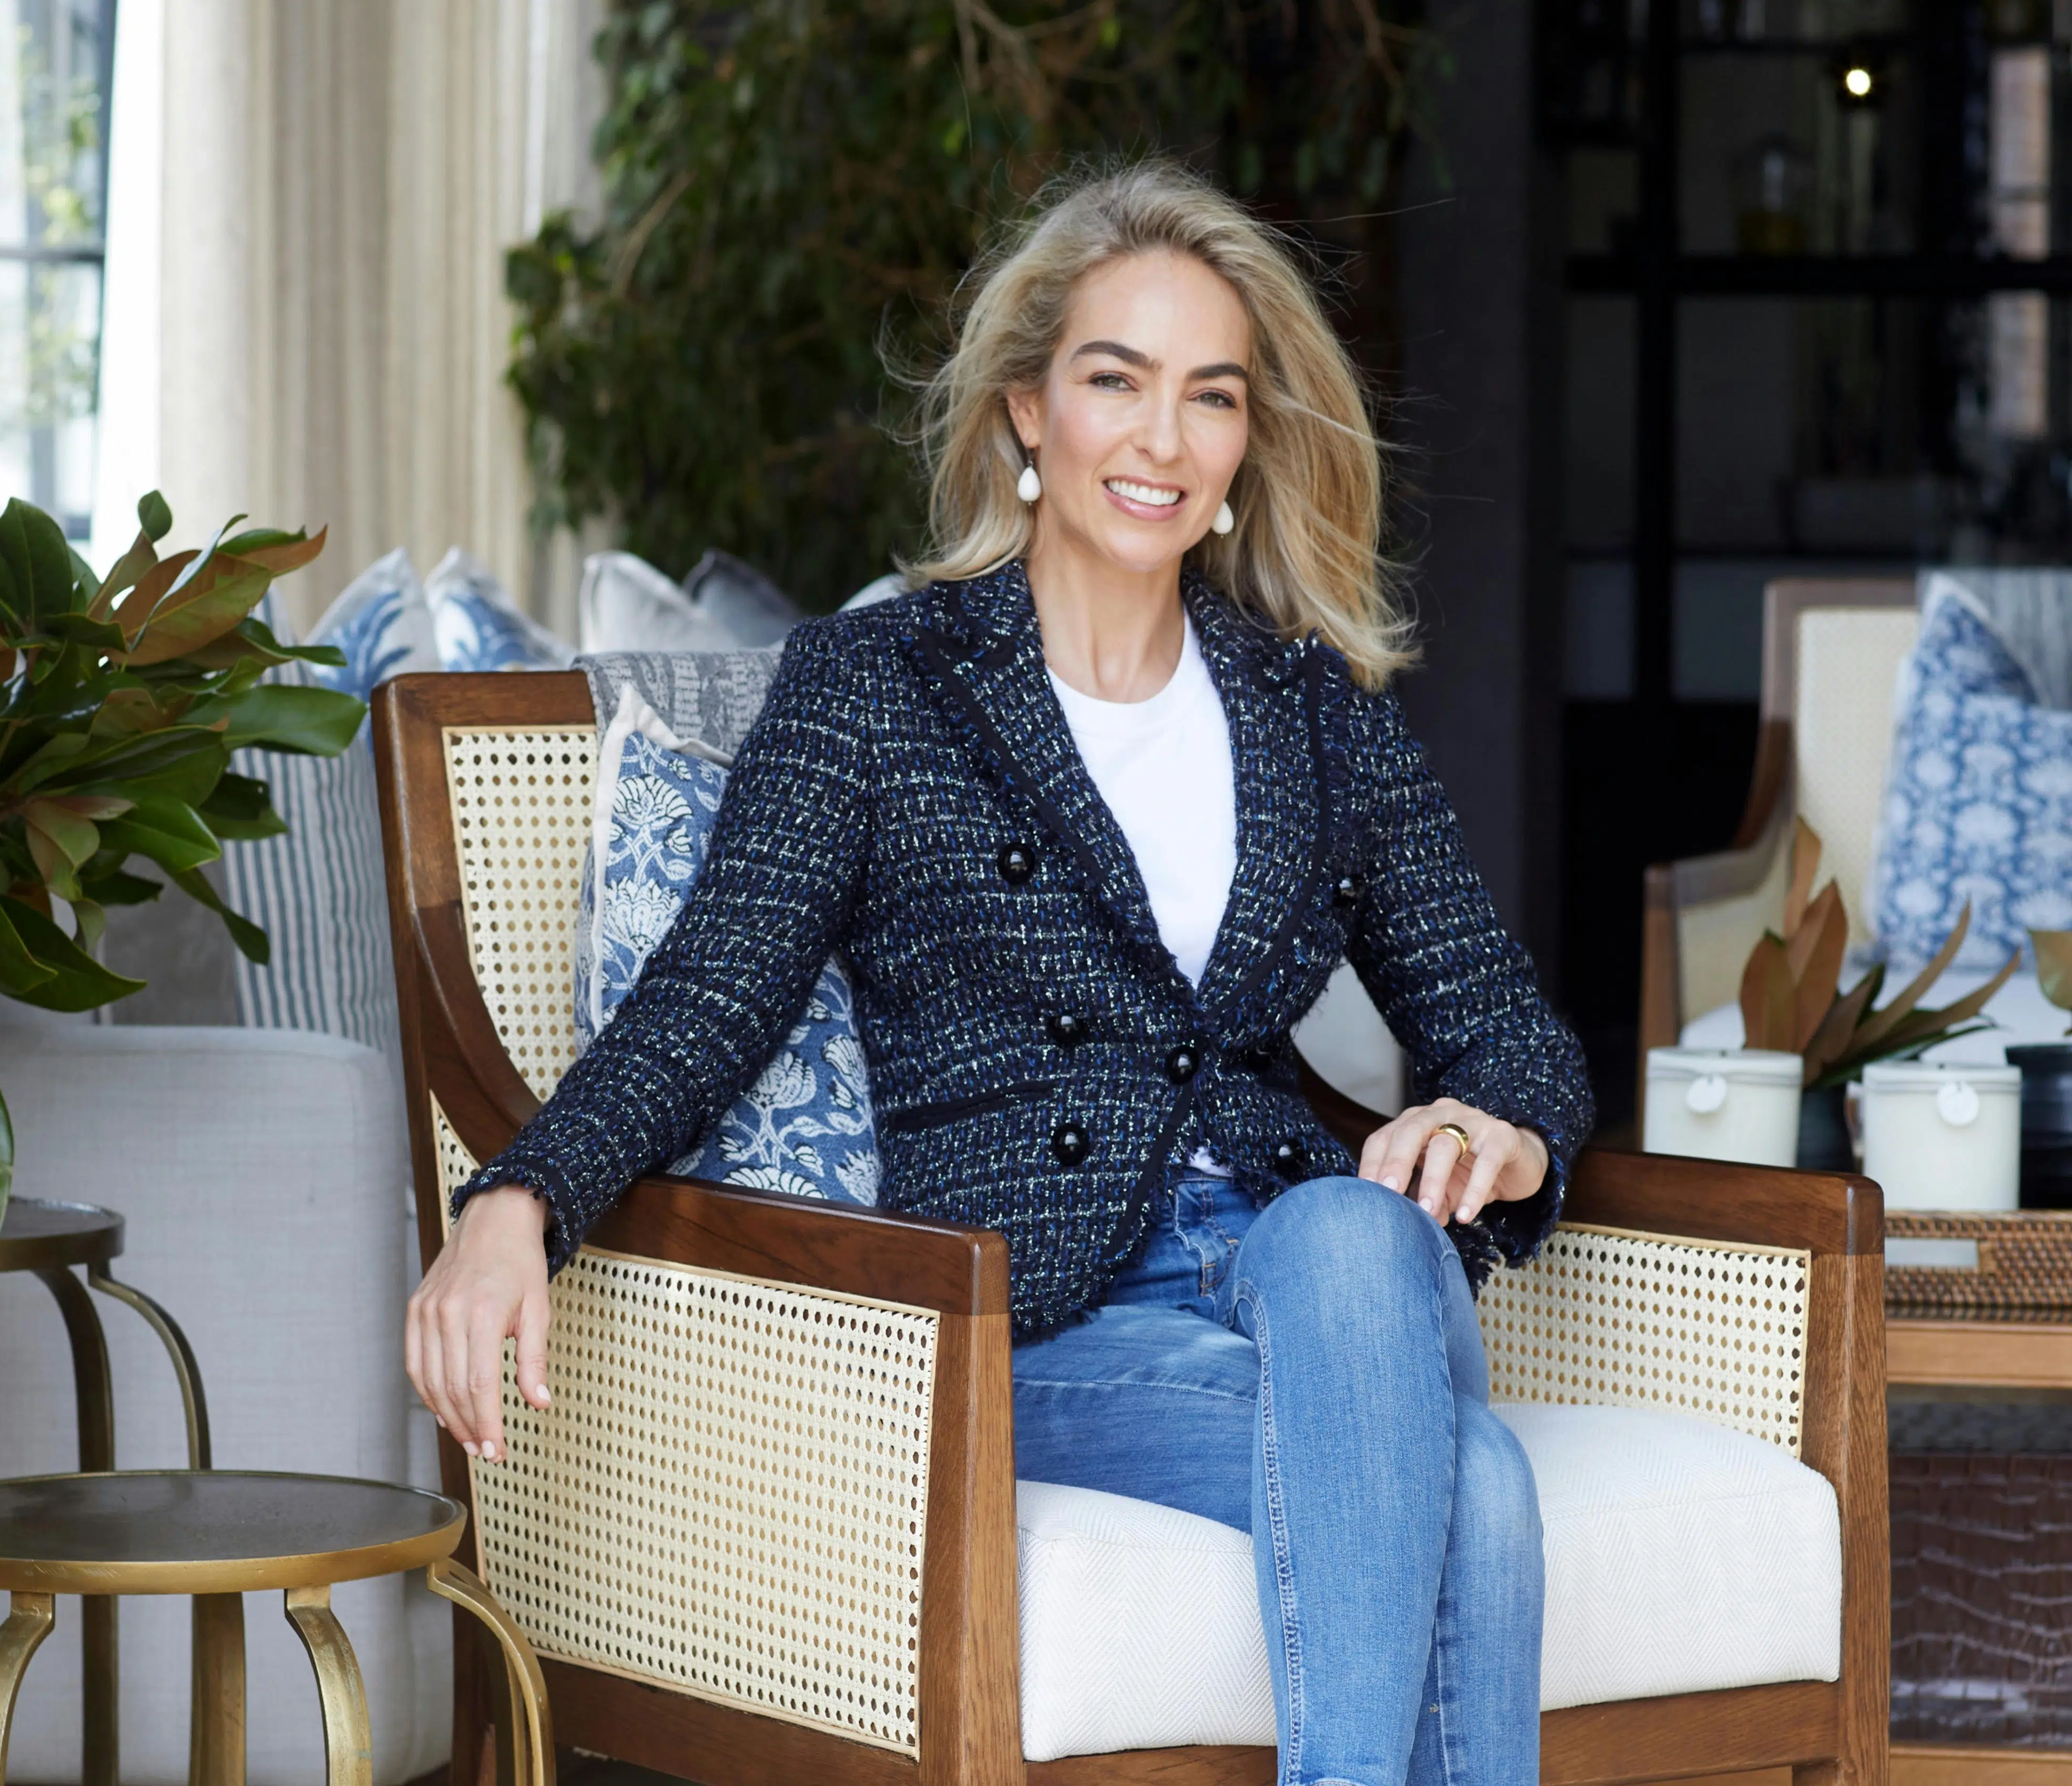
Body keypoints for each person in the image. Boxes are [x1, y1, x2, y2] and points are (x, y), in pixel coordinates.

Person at [408, 161, 1593, 1786]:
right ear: (1030, 409)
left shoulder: (1311, 709)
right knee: (1483, 1492)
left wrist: (1500, 1130)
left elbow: (1506, 1029)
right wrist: (514, 1201)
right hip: (1032, 1318)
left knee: (1348, 1231)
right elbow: (713, 992)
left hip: (1316, 1286)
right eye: (1116, 382)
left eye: (1211, 398)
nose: (1161, 442)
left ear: (1250, 441)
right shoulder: (878, 685)